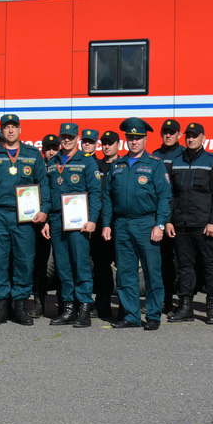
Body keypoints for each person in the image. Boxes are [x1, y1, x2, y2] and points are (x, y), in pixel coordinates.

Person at [0, 113, 52, 326]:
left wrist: (44, 209)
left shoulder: (32, 154)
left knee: (24, 261)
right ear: (1, 131)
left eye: (14, 127)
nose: (10, 131)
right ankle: (0, 307)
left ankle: (20, 306)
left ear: (20, 129)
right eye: (6, 127)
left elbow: (43, 184)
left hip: (24, 218)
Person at [102, 117, 171, 330]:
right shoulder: (117, 165)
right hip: (122, 224)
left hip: (146, 223)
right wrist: (106, 224)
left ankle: (153, 315)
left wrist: (159, 225)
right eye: (130, 138)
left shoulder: (155, 164)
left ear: (145, 139)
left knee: (151, 271)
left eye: (138, 138)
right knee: (125, 272)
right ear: (126, 140)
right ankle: (131, 315)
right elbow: (107, 197)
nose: (134, 142)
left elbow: (165, 197)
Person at [166, 123, 213, 324]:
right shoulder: (176, 161)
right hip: (181, 223)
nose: (191, 139)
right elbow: (171, 194)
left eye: (195, 136)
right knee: (184, 266)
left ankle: (211, 307)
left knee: (209, 265)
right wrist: (169, 221)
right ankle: (185, 307)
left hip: (203, 224)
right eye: (189, 136)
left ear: (203, 138)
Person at [47, 123, 102, 328]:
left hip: (79, 223)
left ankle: (84, 308)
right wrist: (46, 220)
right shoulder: (52, 162)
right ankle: (68, 308)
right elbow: (47, 192)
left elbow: (96, 193)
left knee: (80, 265)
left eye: (71, 137)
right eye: (64, 136)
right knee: (63, 266)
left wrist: (93, 219)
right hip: (57, 220)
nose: (67, 140)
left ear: (77, 138)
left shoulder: (86, 162)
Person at [152, 119, 183, 314]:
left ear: (179, 134)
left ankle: (184, 302)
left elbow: (180, 192)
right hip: (158, 218)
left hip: (177, 218)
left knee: (181, 263)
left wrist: (170, 219)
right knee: (161, 262)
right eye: (165, 132)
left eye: (172, 132)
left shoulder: (183, 156)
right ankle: (166, 301)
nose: (168, 135)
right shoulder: (155, 156)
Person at [92, 129, 120, 320]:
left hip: (120, 222)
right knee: (101, 266)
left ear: (118, 144)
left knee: (124, 266)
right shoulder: (95, 166)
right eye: (104, 143)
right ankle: (102, 305)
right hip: (101, 222)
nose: (107, 146)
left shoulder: (124, 164)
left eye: (111, 143)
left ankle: (126, 305)